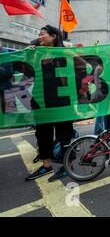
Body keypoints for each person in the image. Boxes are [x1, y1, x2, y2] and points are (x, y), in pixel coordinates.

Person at [25, 25, 74, 182]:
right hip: (41, 100)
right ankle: (46, 166)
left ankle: (67, 166)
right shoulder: (37, 53)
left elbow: (83, 66)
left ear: (53, 36)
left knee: (64, 134)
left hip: (62, 100)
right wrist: (29, 56)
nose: (39, 37)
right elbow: (28, 73)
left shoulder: (65, 52)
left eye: (43, 34)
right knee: (42, 134)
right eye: (38, 34)